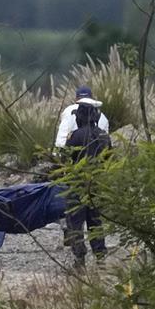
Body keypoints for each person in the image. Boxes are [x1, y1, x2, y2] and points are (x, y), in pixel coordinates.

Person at [65, 99, 112, 269]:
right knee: (96, 222)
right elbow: (109, 159)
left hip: (77, 185)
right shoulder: (104, 136)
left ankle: (80, 260)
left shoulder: (75, 136)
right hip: (97, 185)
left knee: (75, 223)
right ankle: (100, 258)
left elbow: (66, 159)